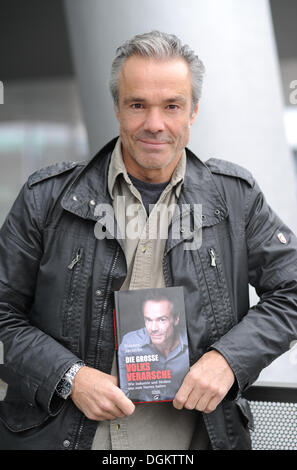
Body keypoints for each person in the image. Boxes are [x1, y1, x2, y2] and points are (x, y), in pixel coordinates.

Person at [0, 30, 297, 450]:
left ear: (193, 112)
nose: (154, 124)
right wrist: (69, 377)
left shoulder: (236, 199)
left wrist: (229, 360)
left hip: (194, 442)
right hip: (66, 437)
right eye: (137, 104)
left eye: (172, 106)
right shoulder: (45, 199)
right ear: (118, 109)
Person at [118, 296, 189, 401]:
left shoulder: (191, 343)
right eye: (148, 320)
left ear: (176, 319)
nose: (153, 328)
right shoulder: (130, 343)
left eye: (162, 320)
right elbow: (124, 393)